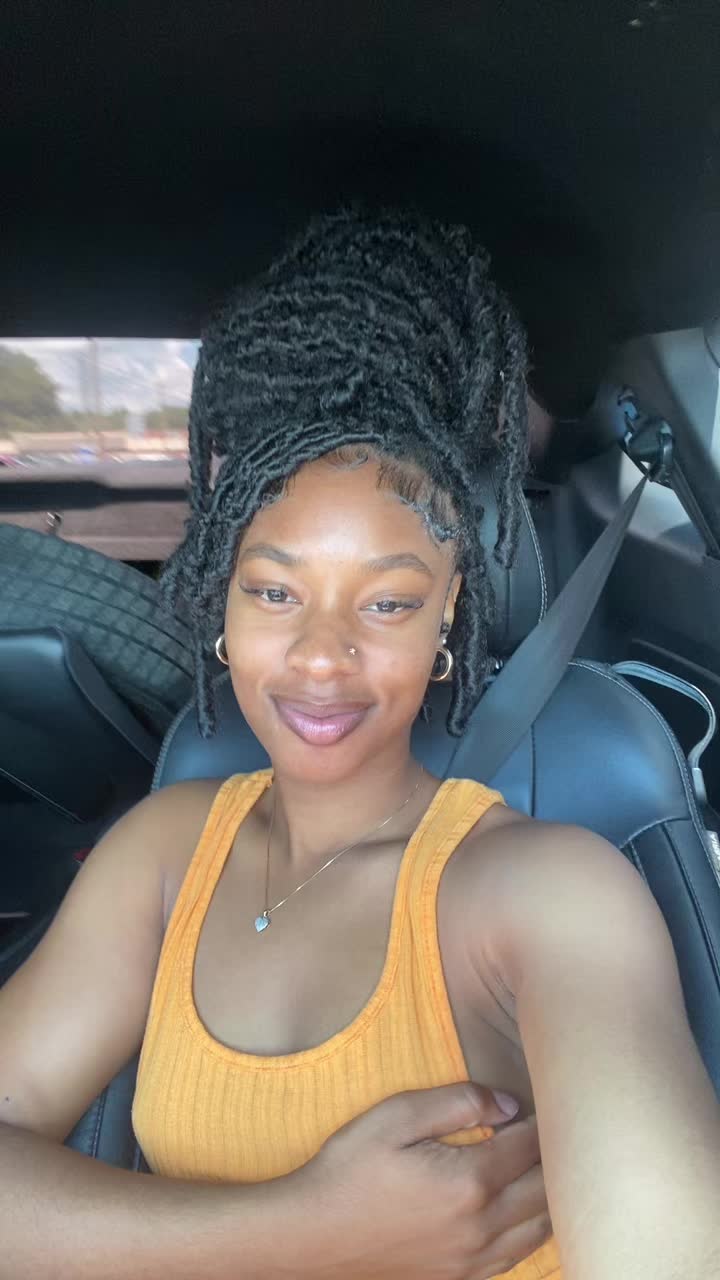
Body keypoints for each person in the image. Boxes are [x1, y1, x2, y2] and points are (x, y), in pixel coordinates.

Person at [1, 209, 719, 1280]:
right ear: (219, 599)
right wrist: (300, 1228)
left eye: (387, 603)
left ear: (449, 614)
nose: (322, 657)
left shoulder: (549, 891)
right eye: (273, 591)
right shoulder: (161, 850)